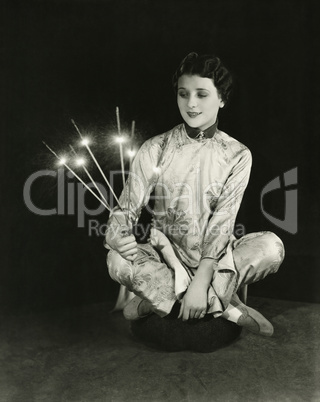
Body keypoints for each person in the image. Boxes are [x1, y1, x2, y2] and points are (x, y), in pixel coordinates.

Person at [104, 52, 285, 337]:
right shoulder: (155, 147)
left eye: (201, 94)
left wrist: (201, 281)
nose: (191, 103)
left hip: (218, 258)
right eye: (183, 94)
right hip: (165, 257)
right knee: (116, 260)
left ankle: (161, 300)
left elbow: (224, 221)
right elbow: (125, 209)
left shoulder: (238, 154)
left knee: (272, 248)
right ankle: (227, 307)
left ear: (222, 99)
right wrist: (117, 236)